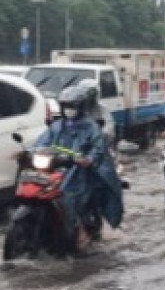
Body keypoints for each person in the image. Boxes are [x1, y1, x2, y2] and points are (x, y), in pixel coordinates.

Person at [34, 86, 124, 250]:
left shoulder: (91, 127)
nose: (69, 110)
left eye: (72, 106)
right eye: (66, 106)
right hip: (59, 167)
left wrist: (88, 159)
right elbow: (42, 142)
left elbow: (98, 148)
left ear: (81, 107)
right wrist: (32, 151)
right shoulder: (57, 126)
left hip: (80, 171)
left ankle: (80, 230)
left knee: (68, 195)